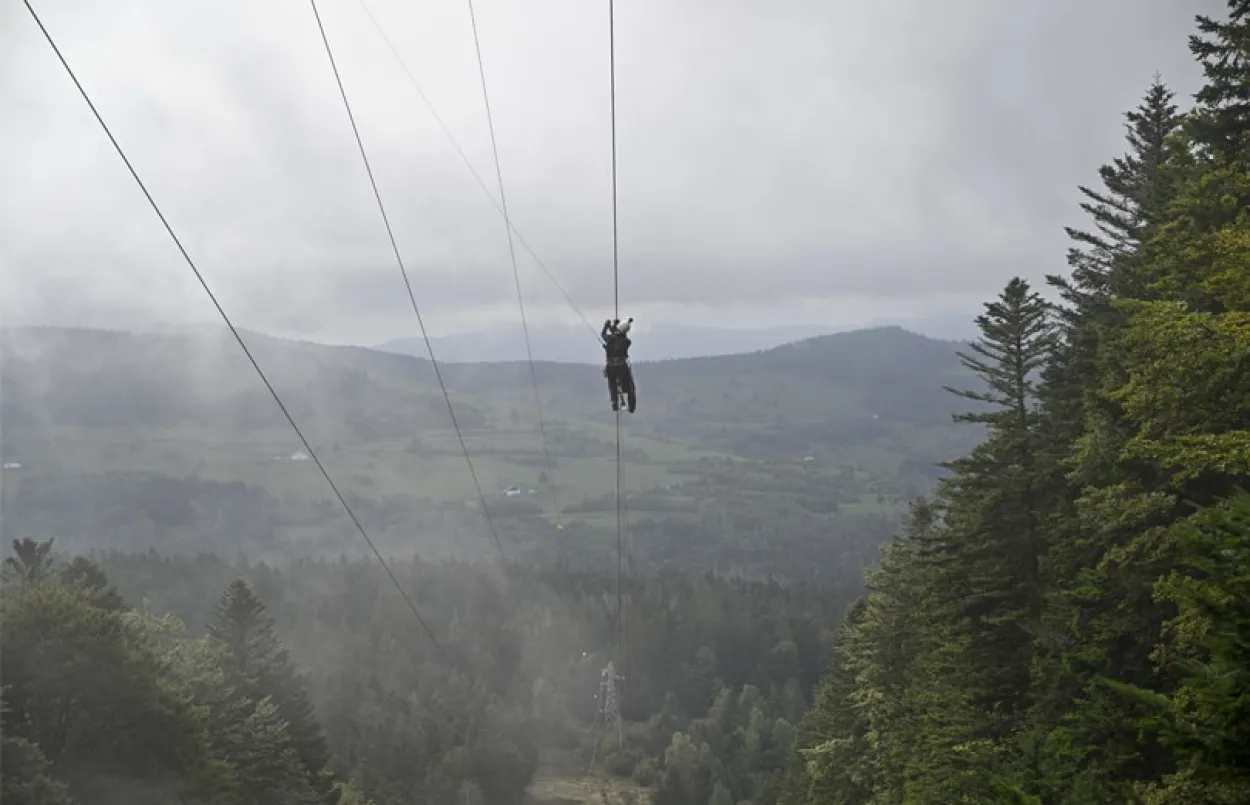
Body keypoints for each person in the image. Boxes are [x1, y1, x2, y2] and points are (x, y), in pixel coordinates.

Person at [601, 317, 636, 413]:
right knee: (630, 386)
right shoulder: (627, 342)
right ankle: (631, 405)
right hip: (622, 366)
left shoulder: (610, 339)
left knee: (612, 383)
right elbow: (620, 338)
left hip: (611, 366)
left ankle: (614, 401)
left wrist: (606, 326)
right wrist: (613, 328)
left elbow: (604, 335)